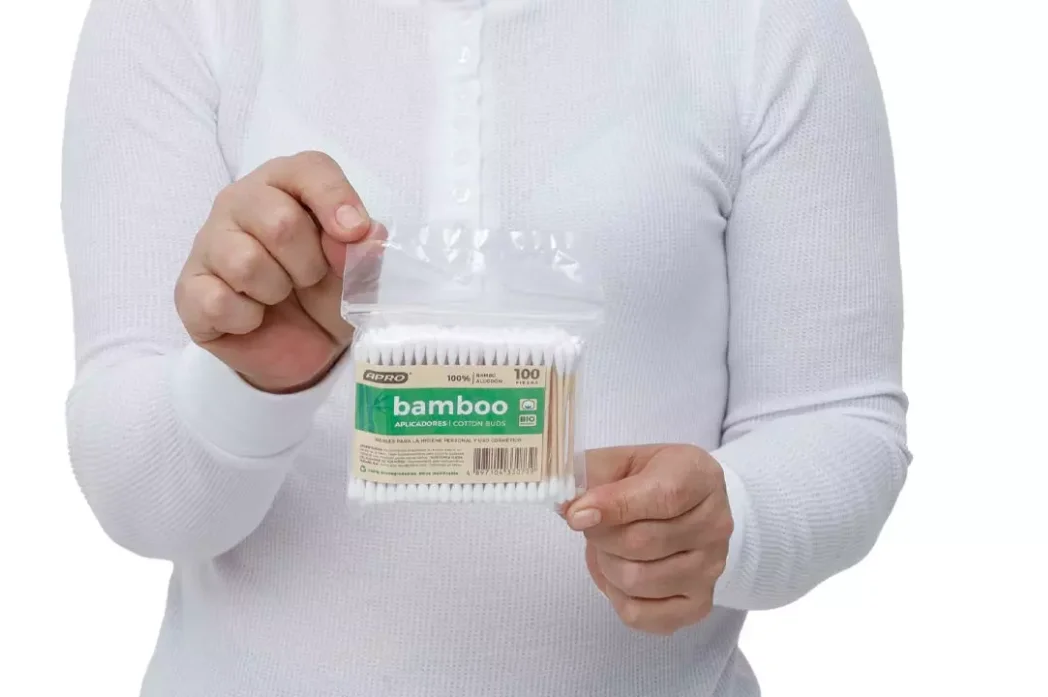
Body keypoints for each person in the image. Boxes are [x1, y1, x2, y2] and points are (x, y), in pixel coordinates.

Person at [60, 0, 909, 695]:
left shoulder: (767, 21)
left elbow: (839, 417)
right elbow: (140, 503)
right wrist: (251, 384)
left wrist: (735, 521)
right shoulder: (182, 15)